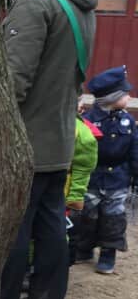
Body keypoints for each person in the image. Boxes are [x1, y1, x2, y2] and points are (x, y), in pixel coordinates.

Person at [0, 0, 97, 299]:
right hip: (59, 139)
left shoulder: (36, 2)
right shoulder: (78, 1)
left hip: (26, 142)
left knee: (12, 229)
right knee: (51, 228)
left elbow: (13, 82)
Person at [78, 66, 138, 274]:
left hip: (118, 180)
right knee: (87, 214)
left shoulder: (128, 121)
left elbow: (134, 150)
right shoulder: (88, 120)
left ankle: (107, 254)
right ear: (111, 98)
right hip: (93, 177)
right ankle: (83, 249)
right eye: (124, 94)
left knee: (113, 218)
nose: (129, 96)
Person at [65, 112, 100, 266]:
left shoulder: (82, 130)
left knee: (67, 228)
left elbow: (83, 166)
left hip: (65, 191)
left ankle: (66, 261)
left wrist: (76, 196)